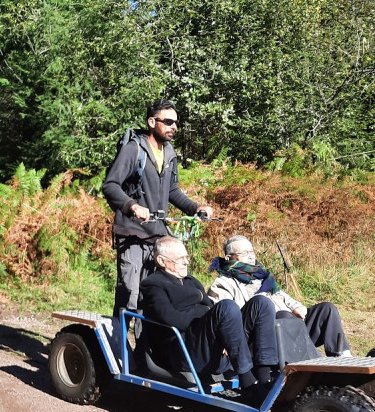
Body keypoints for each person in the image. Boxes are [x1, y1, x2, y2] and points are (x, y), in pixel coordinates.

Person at [102, 99, 213, 315]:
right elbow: (110, 185)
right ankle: (119, 346)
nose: (174, 127)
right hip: (133, 235)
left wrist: (195, 208)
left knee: (152, 300)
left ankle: (145, 349)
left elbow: (172, 191)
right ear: (152, 122)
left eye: (176, 123)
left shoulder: (169, 153)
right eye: (169, 122)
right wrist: (132, 206)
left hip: (158, 238)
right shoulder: (134, 150)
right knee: (130, 297)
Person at [139, 236, 279, 394]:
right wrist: (206, 317)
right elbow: (168, 317)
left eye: (186, 257)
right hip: (185, 350)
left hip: (208, 344)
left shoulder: (191, 281)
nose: (186, 262)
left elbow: (209, 308)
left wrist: (220, 329)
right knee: (226, 307)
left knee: (261, 303)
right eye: (180, 259)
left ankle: (264, 376)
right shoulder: (153, 284)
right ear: (162, 261)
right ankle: (248, 384)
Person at [208, 235, 351, 357]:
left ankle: (343, 358)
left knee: (326, 309)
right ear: (228, 257)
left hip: (292, 331)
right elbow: (223, 314)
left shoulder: (261, 276)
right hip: (262, 339)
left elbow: (282, 296)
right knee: (283, 316)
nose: (251, 255)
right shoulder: (223, 283)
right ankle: (316, 363)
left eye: (252, 251)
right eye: (245, 253)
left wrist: (296, 306)